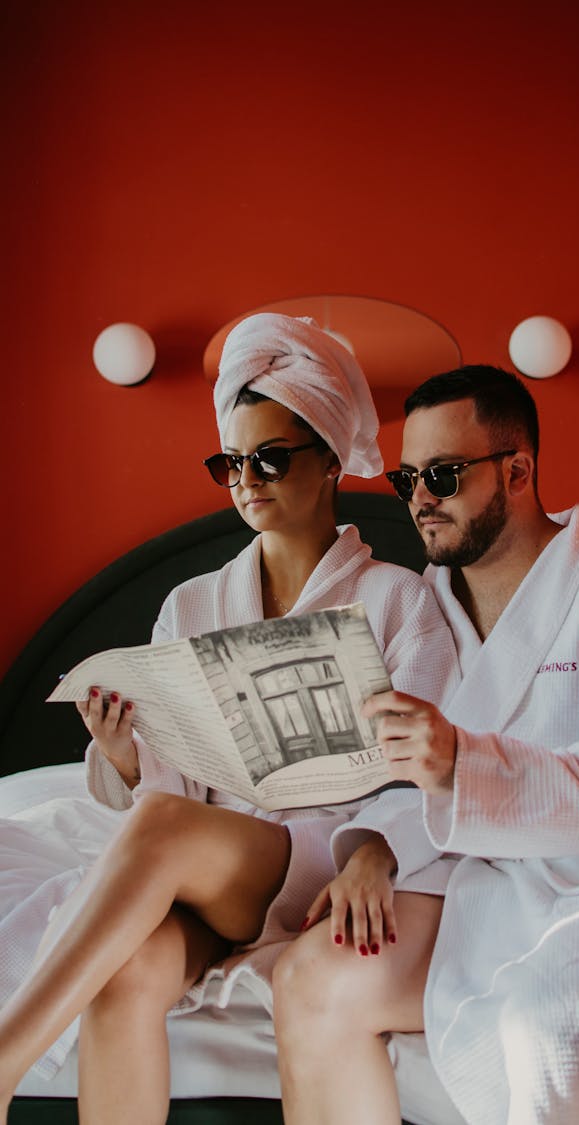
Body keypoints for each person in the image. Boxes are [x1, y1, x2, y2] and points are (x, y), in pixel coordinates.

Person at [0, 314, 459, 1125]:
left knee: (167, 828)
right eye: (230, 462)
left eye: (270, 457)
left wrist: (377, 856)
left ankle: (4, 1055)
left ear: (326, 460)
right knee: (130, 968)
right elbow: (174, 785)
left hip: (318, 862)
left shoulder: (399, 598)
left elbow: (430, 761)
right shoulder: (192, 603)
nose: (247, 478)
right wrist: (129, 758)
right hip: (221, 873)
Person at [272, 364, 579, 1125]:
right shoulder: (423, 607)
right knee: (311, 977)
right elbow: (398, 768)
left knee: (551, 1025)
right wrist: (376, 849)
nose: (422, 498)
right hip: (487, 876)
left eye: (446, 474)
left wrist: (462, 762)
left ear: (518, 469)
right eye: (408, 478)